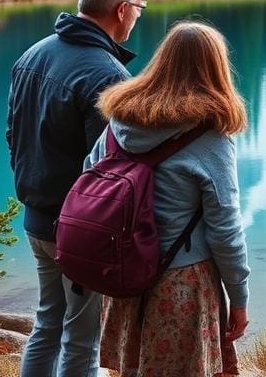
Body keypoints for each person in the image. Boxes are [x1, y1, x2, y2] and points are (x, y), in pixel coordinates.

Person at [88, 21, 251, 377]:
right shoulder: (210, 138)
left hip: (122, 277)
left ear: (161, 61)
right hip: (180, 285)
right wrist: (239, 298)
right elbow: (225, 230)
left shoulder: (118, 119)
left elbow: (89, 174)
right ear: (216, 68)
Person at [7, 0, 143, 377]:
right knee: (82, 341)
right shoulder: (108, 76)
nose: (139, 14)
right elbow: (111, 173)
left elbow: (13, 135)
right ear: (122, 10)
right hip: (80, 230)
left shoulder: (32, 54)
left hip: (36, 218)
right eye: (140, 6)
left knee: (48, 321)